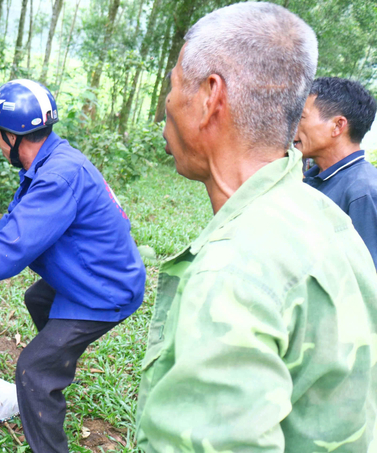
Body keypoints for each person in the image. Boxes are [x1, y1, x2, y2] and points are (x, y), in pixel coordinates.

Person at [135, 2, 377, 452]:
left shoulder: (234, 272)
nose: (166, 104)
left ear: (211, 97)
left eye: (172, 87)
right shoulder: (326, 219)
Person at [0, 79, 146, 453]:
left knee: (33, 371)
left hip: (105, 289)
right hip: (96, 271)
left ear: (10, 136)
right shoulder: (53, 163)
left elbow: (10, 249)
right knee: (38, 300)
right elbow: (10, 226)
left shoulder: (56, 178)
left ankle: (48, 387)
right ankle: (57, 366)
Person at [294, 77, 377, 267]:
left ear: (338, 126)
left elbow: (369, 279)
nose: (293, 126)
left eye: (302, 117)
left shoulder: (364, 192)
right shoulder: (307, 180)